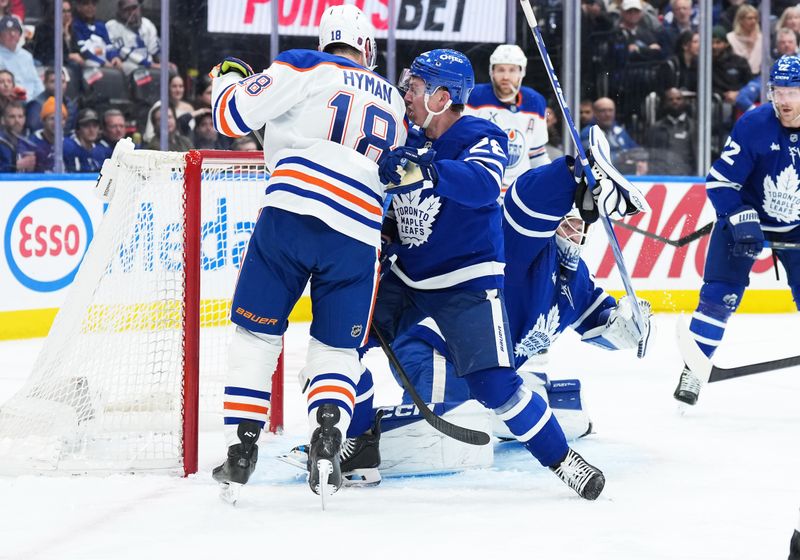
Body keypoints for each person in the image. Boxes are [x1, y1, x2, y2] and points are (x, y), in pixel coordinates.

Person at [371, 49, 646, 501]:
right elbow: (523, 204)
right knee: (342, 339)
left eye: (415, 88)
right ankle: (354, 438)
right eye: (571, 215)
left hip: (462, 285)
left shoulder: (482, 134)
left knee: (499, 391)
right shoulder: (526, 239)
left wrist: (634, 328)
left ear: (443, 97)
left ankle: (562, 461)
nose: (407, 94)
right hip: (411, 290)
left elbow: (483, 184)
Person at [207, 4, 406, 503]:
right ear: (366, 47)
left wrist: (226, 80)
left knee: (256, 332)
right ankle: (328, 436)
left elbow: (230, 118)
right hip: (358, 232)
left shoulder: (305, 63)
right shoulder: (397, 102)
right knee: (337, 350)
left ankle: (242, 445)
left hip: (291, 216)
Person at [674, 55, 800, 405]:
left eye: (793, 91)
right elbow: (719, 183)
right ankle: (694, 370)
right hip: (746, 219)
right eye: (778, 91)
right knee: (719, 296)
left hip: (797, 227)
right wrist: (740, 216)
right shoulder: (755, 123)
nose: (784, 100)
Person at [464, 44, 549, 190]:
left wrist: (551, 180)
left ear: (522, 72)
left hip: (518, 192)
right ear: (492, 71)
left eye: (512, 70)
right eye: (500, 70)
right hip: (483, 189)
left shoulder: (535, 102)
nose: (505, 76)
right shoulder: (474, 97)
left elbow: (537, 155)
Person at [645, 87, 696, 175]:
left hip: (687, 179)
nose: (675, 102)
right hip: (660, 179)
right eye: (670, 99)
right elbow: (650, 155)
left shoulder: (694, 127)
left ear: (684, 102)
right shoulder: (655, 128)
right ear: (665, 103)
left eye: (678, 99)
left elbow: (697, 157)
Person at [106, 0, 161, 75]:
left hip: (150, 67)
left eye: (134, 8)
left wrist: (164, 63)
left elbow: (154, 49)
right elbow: (121, 51)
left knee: (171, 71)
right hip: (127, 68)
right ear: (120, 11)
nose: (131, 12)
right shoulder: (112, 26)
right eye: (127, 9)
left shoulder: (147, 24)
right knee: (137, 72)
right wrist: (149, 64)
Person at [0, 16, 44, 100]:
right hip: (10, 100)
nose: (12, 34)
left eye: (15, 31)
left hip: (32, 100)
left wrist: (43, 98)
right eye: (7, 31)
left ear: (20, 35)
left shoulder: (26, 56)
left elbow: (36, 81)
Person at [72, 0, 122, 69]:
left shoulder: (100, 25)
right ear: (78, 7)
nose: (90, 7)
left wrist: (114, 57)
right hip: (90, 62)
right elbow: (83, 51)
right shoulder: (75, 26)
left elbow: (109, 46)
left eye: (93, 4)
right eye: (86, 4)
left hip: (106, 60)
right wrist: (102, 63)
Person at [29, 97, 66, 172]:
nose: (56, 122)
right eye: (52, 118)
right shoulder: (32, 143)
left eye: (61, 118)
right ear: (43, 121)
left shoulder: (68, 144)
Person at [726, 4, 761, 76]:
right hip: (738, 77)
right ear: (740, 20)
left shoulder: (762, 39)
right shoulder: (730, 38)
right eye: (750, 18)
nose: (753, 21)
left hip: (758, 78)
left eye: (755, 18)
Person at [0, 100, 34, 172]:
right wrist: (16, 166)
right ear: (2, 120)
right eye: (12, 117)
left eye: (20, 116)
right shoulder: (1, 142)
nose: (17, 120)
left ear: (24, 119)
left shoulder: (28, 144)